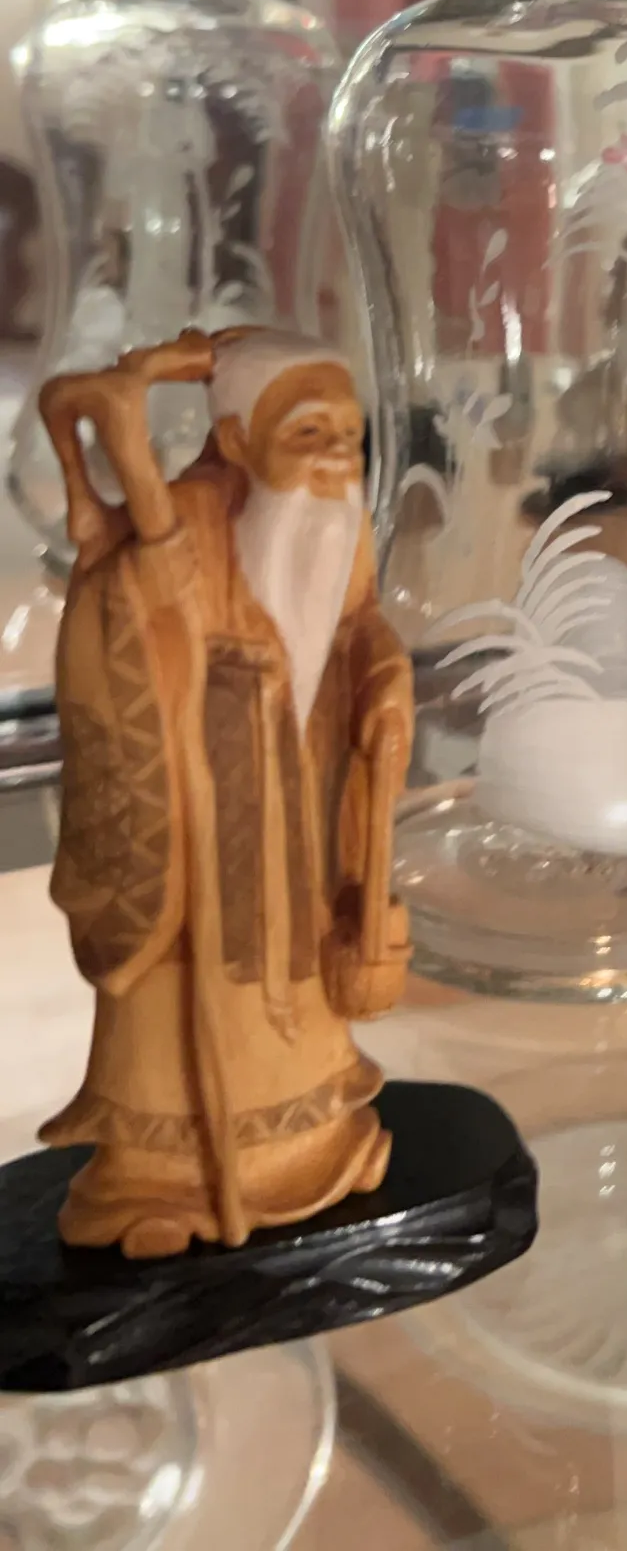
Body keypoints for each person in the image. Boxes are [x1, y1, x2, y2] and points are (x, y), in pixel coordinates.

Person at [38, 327, 414, 1256]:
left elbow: (360, 620)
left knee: (300, 989)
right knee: (178, 994)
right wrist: (148, 585)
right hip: (198, 812)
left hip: (307, 802)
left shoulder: (342, 524)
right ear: (238, 440)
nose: (334, 457)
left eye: (347, 435)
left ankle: (312, 1142)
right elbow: (122, 620)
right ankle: (155, 1178)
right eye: (307, 433)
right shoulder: (186, 514)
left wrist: (385, 678)